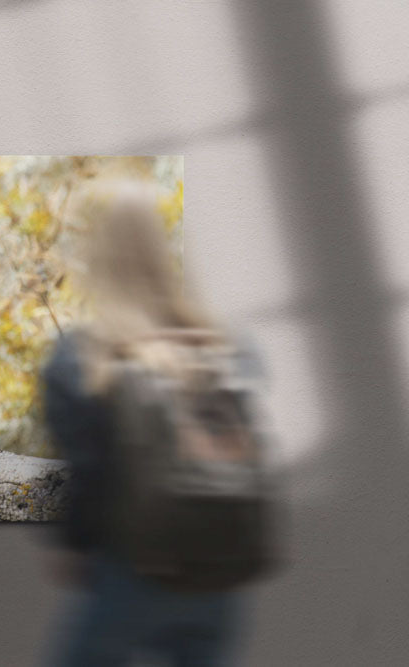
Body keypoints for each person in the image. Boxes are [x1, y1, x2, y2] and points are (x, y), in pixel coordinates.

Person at [41, 181, 258, 666]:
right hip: (217, 575)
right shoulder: (225, 346)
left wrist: (73, 545)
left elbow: (91, 471)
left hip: (131, 569)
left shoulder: (83, 356)